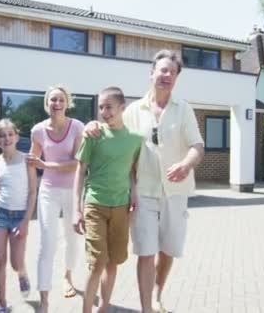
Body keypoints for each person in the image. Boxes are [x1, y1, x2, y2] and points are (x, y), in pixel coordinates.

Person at [85, 50, 204, 313]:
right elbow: (111, 129)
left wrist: (186, 164)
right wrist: (91, 125)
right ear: (151, 73)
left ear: (176, 78)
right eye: (162, 70)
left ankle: (158, 292)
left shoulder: (184, 109)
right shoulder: (134, 110)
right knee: (146, 252)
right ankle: (147, 308)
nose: (167, 76)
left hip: (175, 192)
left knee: (169, 249)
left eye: (172, 72)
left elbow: (197, 146)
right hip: (143, 192)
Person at [72, 86, 143, 313]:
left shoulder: (135, 139)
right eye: (101, 107)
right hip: (95, 205)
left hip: (121, 207)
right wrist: (76, 208)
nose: (104, 111)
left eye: (109, 107)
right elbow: (80, 171)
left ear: (122, 107)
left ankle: (103, 309)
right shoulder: (93, 134)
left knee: (113, 262)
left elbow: (133, 171)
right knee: (97, 263)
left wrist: (135, 192)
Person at [26, 85, 85, 313]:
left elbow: (77, 163)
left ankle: (68, 277)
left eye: (61, 100)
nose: (57, 104)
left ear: (67, 103)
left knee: (72, 239)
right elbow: (33, 163)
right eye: (53, 100)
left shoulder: (77, 127)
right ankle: (44, 299)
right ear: (47, 103)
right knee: (47, 244)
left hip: (72, 190)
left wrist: (45, 165)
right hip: (48, 191)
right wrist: (30, 193)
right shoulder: (38, 131)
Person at [0, 119, 38, 313]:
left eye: (10, 134)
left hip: (19, 216)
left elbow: (33, 192)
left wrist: (26, 222)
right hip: (0, 214)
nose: (6, 138)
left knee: (15, 263)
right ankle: (2, 304)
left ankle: (22, 273)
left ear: (16, 136)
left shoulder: (27, 160)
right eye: (1, 135)